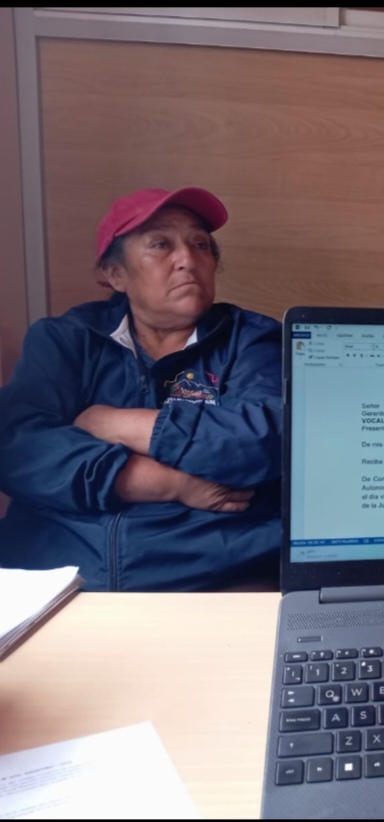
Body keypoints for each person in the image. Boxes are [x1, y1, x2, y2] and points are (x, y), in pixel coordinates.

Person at [0, 187, 283, 591]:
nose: (188, 260)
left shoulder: (252, 339)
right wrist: (169, 483)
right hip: (60, 577)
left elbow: (266, 439)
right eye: (161, 245)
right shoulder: (66, 339)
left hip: (212, 579)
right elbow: (18, 447)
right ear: (115, 274)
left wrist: (114, 422)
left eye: (200, 244)